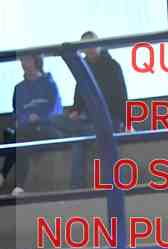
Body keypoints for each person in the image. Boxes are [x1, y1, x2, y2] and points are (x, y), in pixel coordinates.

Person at [51, 31, 127, 188]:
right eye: (85, 46)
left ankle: (76, 186)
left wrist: (126, 123)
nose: (90, 49)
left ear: (99, 45)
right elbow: (78, 99)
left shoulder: (112, 66)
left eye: (92, 44)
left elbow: (122, 97)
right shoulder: (82, 68)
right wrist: (75, 112)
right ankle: (84, 131)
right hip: (86, 119)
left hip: (109, 118)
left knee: (79, 138)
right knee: (54, 120)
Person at [0, 54, 62, 194]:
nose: (23, 63)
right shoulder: (19, 88)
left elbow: (55, 112)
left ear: (36, 61)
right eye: (21, 60)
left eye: (27, 59)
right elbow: (16, 113)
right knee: (20, 138)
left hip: (46, 130)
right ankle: (19, 187)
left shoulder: (50, 84)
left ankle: (3, 174)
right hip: (25, 131)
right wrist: (26, 119)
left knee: (18, 137)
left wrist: (39, 118)